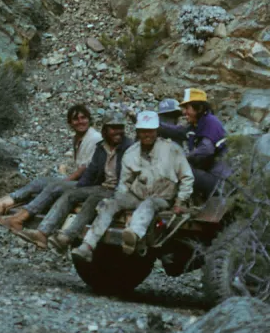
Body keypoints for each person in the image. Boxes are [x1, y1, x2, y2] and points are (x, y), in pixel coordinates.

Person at [74, 111, 193, 261]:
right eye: (143, 131)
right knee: (110, 204)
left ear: (156, 131)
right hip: (137, 195)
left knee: (149, 204)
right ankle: (88, 245)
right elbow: (124, 182)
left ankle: (133, 235)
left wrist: (180, 200)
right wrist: (121, 202)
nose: (147, 135)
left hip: (161, 197)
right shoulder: (131, 153)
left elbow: (187, 176)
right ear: (137, 132)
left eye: (150, 131)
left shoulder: (172, 150)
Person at [0, 103, 101, 230]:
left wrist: (64, 181)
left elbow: (85, 168)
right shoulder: (79, 138)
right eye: (76, 119)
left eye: (83, 118)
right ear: (70, 122)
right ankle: (2, 203)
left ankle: (20, 219)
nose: (80, 122)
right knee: (40, 181)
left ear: (89, 119)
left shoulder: (94, 138)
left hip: (90, 184)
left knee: (54, 186)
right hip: (81, 181)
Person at [18, 113, 132, 251]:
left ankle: (67, 236)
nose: (118, 132)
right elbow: (91, 170)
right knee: (70, 194)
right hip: (102, 186)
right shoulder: (101, 147)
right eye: (113, 128)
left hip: (119, 190)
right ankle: (43, 232)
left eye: (120, 128)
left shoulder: (129, 147)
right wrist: (79, 187)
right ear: (105, 130)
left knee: (93, 199)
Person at [178, 87, 231, 201]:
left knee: (184, 169)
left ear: (200, 108)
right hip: (211, 177)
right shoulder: (196, 125)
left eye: (187, 108)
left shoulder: (211, 122)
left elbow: (206, 149)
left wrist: (184, 158)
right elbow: (176, 131)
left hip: (219, 183)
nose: (184, 112)